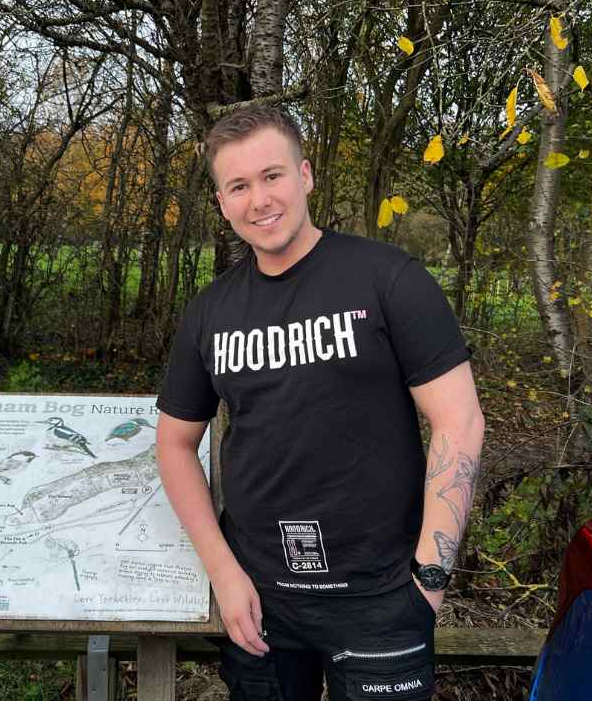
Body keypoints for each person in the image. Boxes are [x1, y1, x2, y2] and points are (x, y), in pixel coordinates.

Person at [155, 106, 485, 701]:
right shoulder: (210, 310)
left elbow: (459, 421)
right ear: (222, 202)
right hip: (259, 598)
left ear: (305, 175)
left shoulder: (388, 279)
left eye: (272, 175)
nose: (260, 199)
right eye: (239, 186)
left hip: (381, 595)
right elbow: (176, 443)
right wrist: (225, 575)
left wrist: (429, 580)